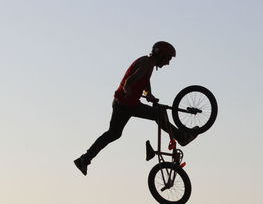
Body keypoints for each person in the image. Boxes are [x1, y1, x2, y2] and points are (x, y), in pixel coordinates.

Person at [74, 41, 198, 176]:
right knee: (158, 114)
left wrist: (148, 94)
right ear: (161, 55)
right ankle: (182, 137)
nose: (168, 63)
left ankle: (84, 159)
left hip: (122, 103)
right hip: (127, 104)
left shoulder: (147, 63)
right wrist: (129, 91)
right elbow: (129, 82)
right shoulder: (147, 63)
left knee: (113, 133)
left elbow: (144, 80)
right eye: (168, 58)